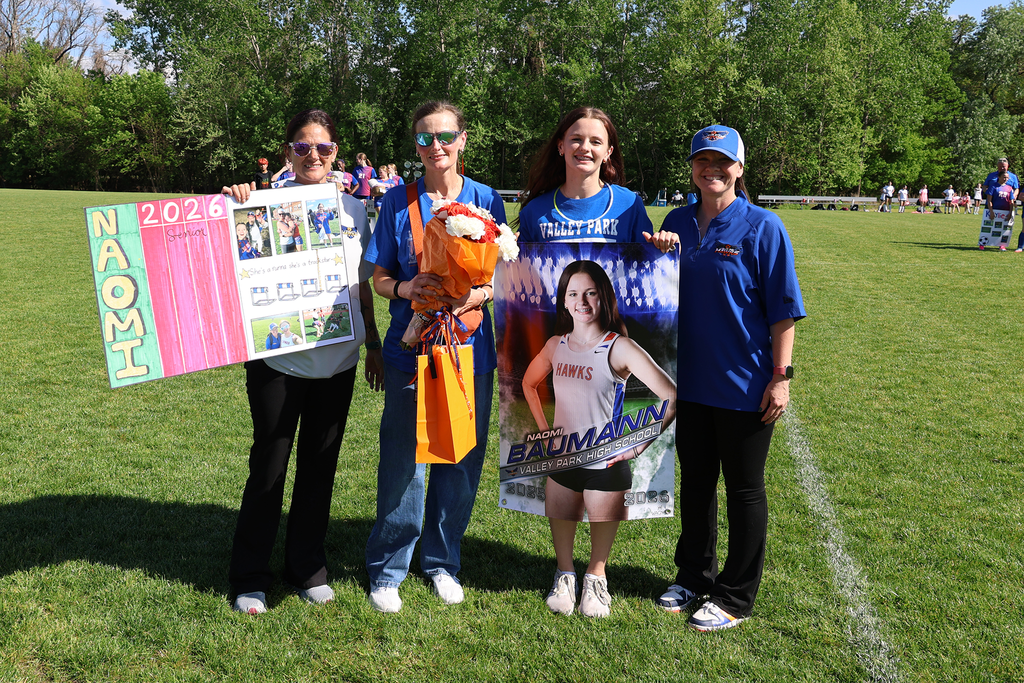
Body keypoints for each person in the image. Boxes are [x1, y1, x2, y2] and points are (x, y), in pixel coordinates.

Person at [220, 109, 384, 616]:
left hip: (339, 360)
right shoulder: (260, 203)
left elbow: (361, 286)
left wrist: (373, 342)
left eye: (324, 149)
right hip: (277, 361)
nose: (313, 156)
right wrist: (231, 204)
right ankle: (251, 575)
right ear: (288, 150)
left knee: (321, 466)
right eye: (302, 147)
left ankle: (306, 566)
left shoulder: (356, 210)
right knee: (268, 467)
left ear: (336, 153)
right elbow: (220, 262)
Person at [515, 106, 676, 617]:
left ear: (609, 154)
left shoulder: (629, 205)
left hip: (608, 350)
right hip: (559, 344)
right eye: (576, 139)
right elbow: (521, 276)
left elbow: (646, 266)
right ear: (560, 146)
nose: (585, 148)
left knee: (604, 478)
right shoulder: (537, 210)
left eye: (596, 141)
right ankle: (564, 573)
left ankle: (596, 576)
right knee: (562, 483)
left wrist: (662, 245)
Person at [656, 125, 806, 631]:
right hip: (687, 385)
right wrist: (657, 249)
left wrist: (780, 376)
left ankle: (736, 596)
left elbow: (783, 313)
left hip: (744, 386)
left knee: (744, 489)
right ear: (693, 167)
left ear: (740, 169)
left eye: (723, 162)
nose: (712, 170)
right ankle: (694, 576)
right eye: (703, 160)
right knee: (696, 485)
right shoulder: (675, 221)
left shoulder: (764, 227)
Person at [363, 100, 503, 614]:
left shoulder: (487, 199)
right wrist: (406, 287)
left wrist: (477, 296)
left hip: (469, 349)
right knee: (405, 459)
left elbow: (499, 274)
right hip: (411, 347)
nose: (435, 146)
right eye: (425, 138)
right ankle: (388, 568)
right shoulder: (398, 202)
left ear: (463, 139)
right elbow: (377, 277)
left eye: (445, 136)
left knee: (460, 459)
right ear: (415, 146)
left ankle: (443, 562)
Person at [521, 260, 676, 618]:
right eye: (573, 293)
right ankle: (565, 575)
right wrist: (546, 430)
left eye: (590, 292)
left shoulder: (618, 347)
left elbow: (670, 396)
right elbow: (529, 384)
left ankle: (595, 578)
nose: (582, 301)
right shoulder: (555, 345)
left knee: (600, 535)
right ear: (564, 301)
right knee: (562, 524)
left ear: (603, 298)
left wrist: (637, 444)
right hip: (563, 460)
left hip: (604, 463)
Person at [985, 170, 1018, 251]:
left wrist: (1010, 212)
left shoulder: (1009, 188)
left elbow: (1011, 202)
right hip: (995, 210)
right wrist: (991, 211)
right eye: (1004, 177)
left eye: (1007, 178)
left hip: (1005, 211)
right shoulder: (993, 186)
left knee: (1004, 229)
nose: (1005, 179)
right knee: (989, 227)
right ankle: (983, 244)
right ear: (999, 177)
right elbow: (989, 200)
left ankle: (1002, 245)